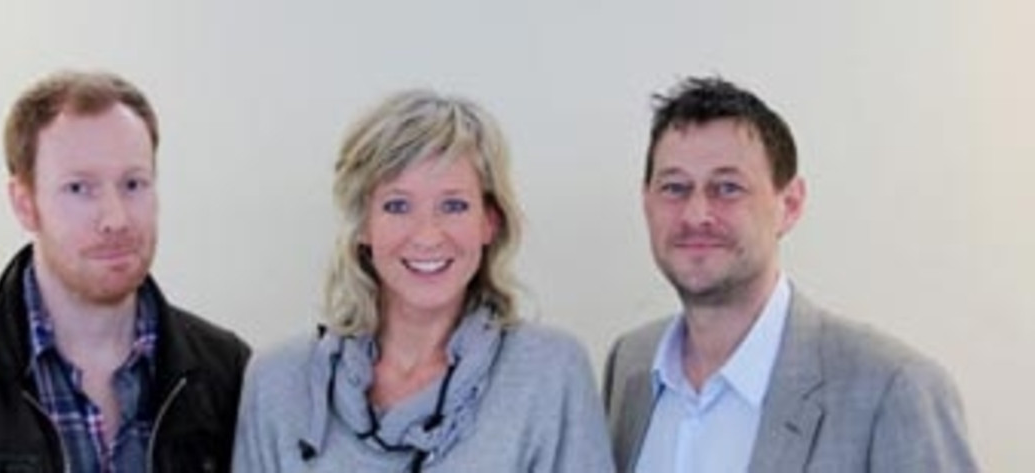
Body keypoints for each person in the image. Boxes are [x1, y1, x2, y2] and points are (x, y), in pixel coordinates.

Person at [0, 70, 250, 473]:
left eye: (133, 184)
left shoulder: (229, 374)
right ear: (24, 203)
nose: (116, 219)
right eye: (79, 188)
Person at [603, 76, 978, 472]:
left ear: (790, 205)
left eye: (727, 188)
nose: (696, 215)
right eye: (675, 188)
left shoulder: (893, 389)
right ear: (646, 202)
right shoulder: (631, 363)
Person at [232, 89, 614, 472]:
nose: (427, 235)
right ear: (363, 224)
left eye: (453, 205)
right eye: (397, 205)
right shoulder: (278, 384)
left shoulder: (550, 373)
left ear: (490, 221)